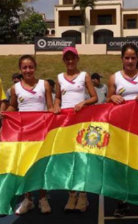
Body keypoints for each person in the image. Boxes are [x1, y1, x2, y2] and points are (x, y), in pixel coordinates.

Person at [107, 43, 138, 217]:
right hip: (122, 130)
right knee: (122, 168)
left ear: (137, 59)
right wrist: (111, 97)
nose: (130, 61)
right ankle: (122, 203)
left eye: (133, 58)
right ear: (122, 59)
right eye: (127, 58)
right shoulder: (114, 78)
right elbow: (107, 104)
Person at [6, 55, 54, 215]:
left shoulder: (44, 84)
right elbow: (13, 106)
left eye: (30, 67)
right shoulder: (15, 88)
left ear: (35, 67)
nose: (28, 70)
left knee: (40, 166)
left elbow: (50, 107)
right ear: (20, 69)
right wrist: (4, 113)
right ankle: (28, 199)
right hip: (24, 133)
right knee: (25, 166)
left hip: (41, 131)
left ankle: (42, 198)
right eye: (24, 67)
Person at [54, 46, 97, 212]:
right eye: (67, 58)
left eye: (72, 58)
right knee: (69, 159)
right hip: (65, 123)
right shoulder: (59, 77)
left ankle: (83, 196)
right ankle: (72, 195)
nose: (70, 61)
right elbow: (57, 98)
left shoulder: (84, 75)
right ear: (64, 60)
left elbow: (94, 97)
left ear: (77, 59)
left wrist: (83, 103)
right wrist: (57, 106)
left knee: (81, 158)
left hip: (81, 122)